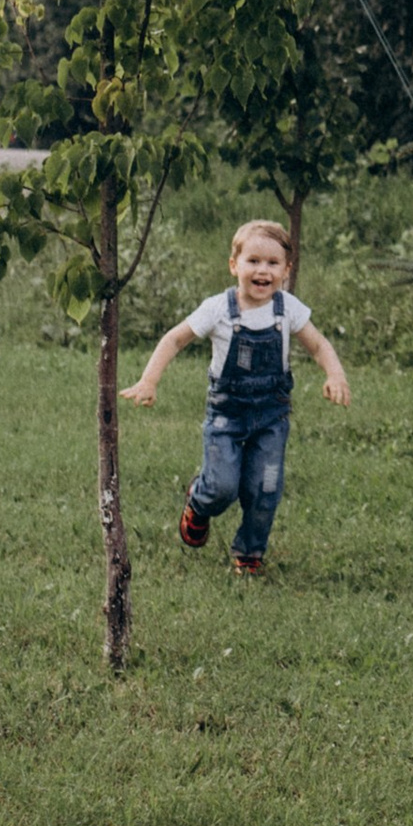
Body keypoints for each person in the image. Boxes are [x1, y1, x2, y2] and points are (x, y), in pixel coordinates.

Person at [126, 218, 352, 577]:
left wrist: (335, 374)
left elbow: (319, 344)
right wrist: (148, 380)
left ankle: (249, 552)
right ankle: (199, 502)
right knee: (222, 487)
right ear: (234, 265)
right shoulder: (218, 309)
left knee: (266, 487)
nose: (263, 270)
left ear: (286, 271)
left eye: (273, 263)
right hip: (226, 415)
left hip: (271, 416)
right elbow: (175, 339)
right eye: (253, 261)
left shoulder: (288, 309)